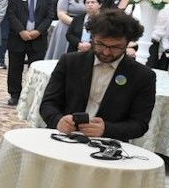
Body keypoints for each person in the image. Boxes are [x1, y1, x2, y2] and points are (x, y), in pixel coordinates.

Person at [37, 8, 157, 142]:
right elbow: (48, 104)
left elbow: (140, 124)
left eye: (115, 47)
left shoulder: (143, 76)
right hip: (64, 137)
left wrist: (107, 129)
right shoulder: (70, 62)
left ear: (128, 43)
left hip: (107, 144)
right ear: (92, 38)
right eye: (100, 44)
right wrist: (58, 120)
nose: (106, 52)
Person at [2, 0, 56, 104]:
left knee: (36, 69)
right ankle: (15, 95)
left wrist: (38, 31)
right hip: (18, 37)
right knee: (15, 68)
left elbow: (49, 17)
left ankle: (31, 96)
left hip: (38, 39)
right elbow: (11, 15)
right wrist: (21, 31)